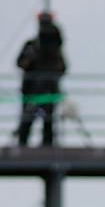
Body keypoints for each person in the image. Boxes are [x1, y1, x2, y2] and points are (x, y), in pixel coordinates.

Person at [15, 11, 66, 148]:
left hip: (48, 90)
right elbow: (20, 63)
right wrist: (30, 58)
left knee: (48, 121)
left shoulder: (55, 50)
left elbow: (63, 68)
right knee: (27, 120)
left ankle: (47, 147)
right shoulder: (31, 45)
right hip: (31, 90)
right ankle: (22, 146)